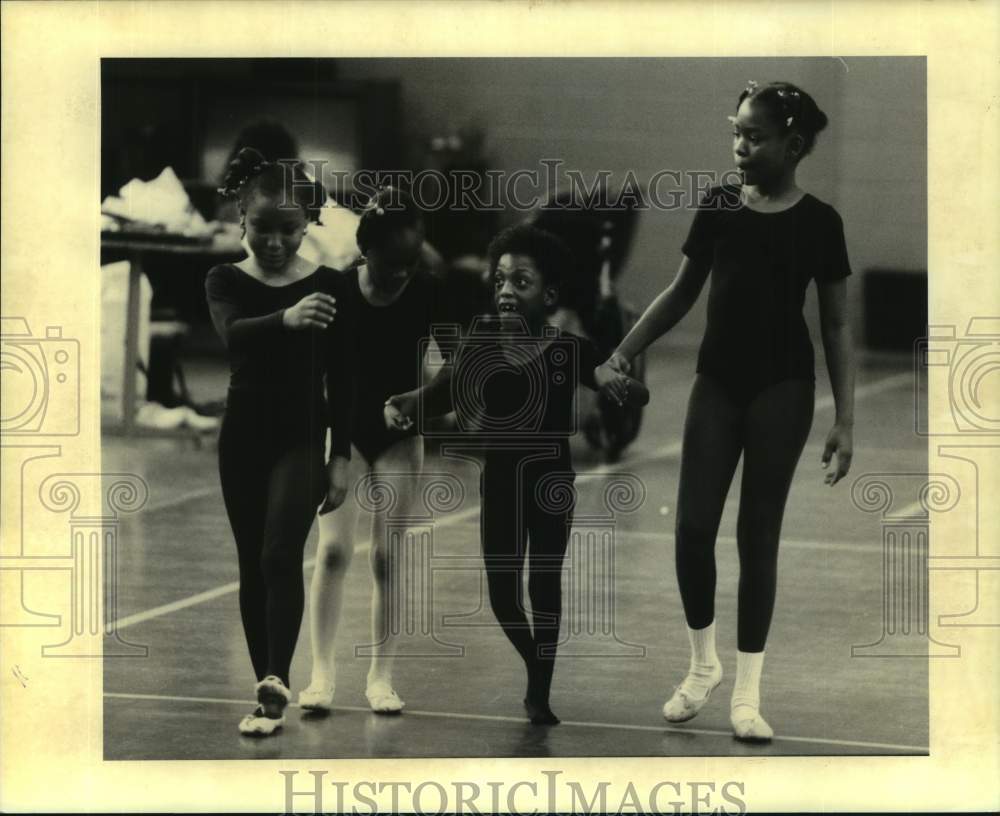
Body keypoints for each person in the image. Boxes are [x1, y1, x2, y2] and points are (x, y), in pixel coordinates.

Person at [597, 81, 856, 741]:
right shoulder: (718, 206)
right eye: (735, 132)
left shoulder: (820, 222)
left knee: (756, 537)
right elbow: (683, 292)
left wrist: (845, 419)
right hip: (718, 382)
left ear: (793, 145)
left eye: (755, 135)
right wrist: (623, 354)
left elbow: (834, 328)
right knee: (690, 530)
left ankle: (748, 693)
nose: (740, 146)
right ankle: (702, 665)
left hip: (783, 388)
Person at [386, 224, 647, 724]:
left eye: (520, 282)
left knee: (544, 585)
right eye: (500, 280)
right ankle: (536, 660)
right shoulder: (480, 342)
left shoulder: (567, 348)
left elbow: (626, 388)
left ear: (547, 295)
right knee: (503, 594)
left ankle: (539, 691)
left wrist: (622, 383)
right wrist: (409, 401)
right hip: (501, 482)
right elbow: (442, 391)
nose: (506, 291)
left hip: (551, 485)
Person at [300, 187, 467, 715]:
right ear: (364, 252)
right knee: (331, 551)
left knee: (388, 558)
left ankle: (380, 676)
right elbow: (315, 375)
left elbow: (460, 367)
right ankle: (321, 674)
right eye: (391, 263)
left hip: (400, 435)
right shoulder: (336, 291)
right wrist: (330, 445)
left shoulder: (428, 292)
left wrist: (418, 404)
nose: (401, 273)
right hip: (342, 434)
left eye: (411, 262)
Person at [206, 147, 353, 736]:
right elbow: (233, 336)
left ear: (308, 224)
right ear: (241, 219)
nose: (273, 241)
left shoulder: (327, 286)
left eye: (288, 229)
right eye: (261, 227)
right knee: (252, 563)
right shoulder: (224, 279)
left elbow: (344, 379)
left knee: (278, 552)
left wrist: (340, 455)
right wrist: (286, 319)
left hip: (300, 438)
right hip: (242, 439)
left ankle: (277, 674)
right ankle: (267, 686)